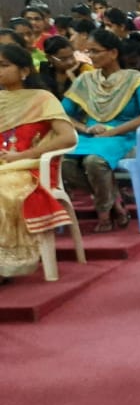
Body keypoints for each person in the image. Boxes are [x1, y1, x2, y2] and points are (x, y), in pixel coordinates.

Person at [60, 29, 140, 232]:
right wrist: (85, 128)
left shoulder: (134, 80)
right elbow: (61, 113)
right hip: (91, 136)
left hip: (125, 136)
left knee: (94, 161)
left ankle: (104, 213)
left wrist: (113, 131)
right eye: (89, 51)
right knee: (64, 163)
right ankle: (116, 200)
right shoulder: (85, 80)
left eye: (96, 51)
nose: (91, 56)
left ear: (113, 53)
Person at [0, 44, 78, 280]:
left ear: (24, 70)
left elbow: (67, 137)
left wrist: (23, 156)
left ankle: (5, 265)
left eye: (3, 65)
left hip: (31, 170)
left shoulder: (42, 98)